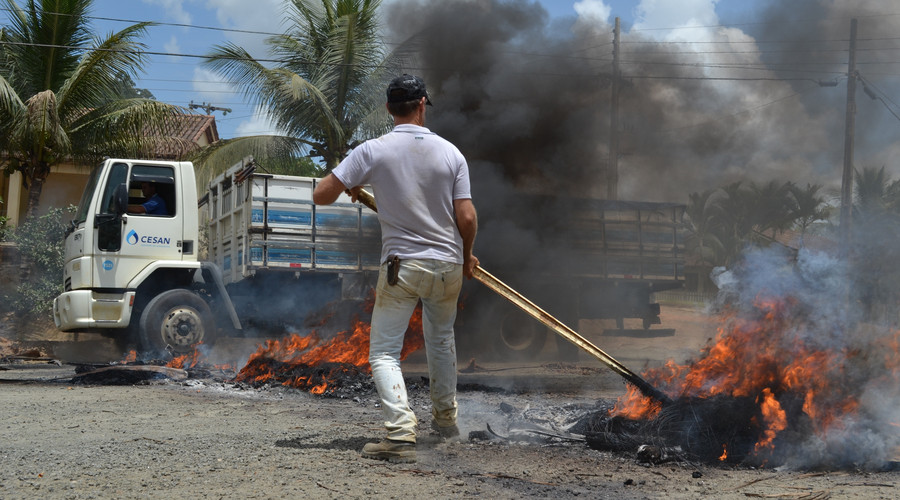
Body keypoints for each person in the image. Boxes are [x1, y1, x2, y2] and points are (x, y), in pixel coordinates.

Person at [313, 74, 479, 463]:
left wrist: (349, 181)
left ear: (389, 109)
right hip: (448, 263)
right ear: (423, 104)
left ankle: (401, 435)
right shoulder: (452, 153)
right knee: (441, 341)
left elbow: (322, 194)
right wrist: (467, 254)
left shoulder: (372, 150)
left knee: (385, 353)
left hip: (401, 266)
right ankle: (445, 424)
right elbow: (467, 216)